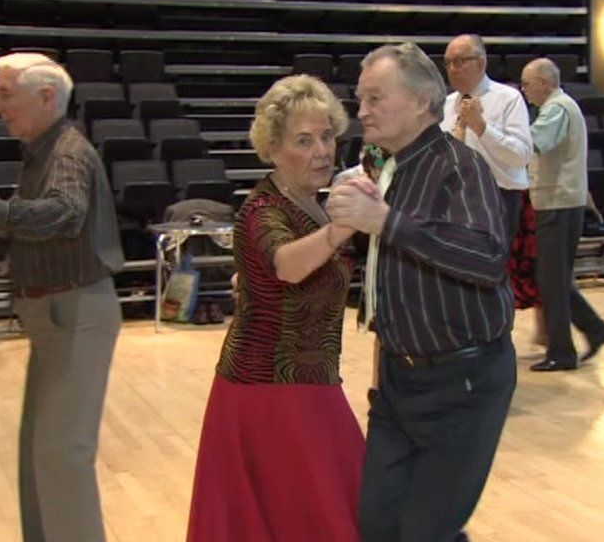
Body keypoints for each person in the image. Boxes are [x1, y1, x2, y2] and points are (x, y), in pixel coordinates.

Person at [0, 53, 124, 542]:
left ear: (46, 97)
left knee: (61, 452)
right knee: (42, 449)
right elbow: (20, 229)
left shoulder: (68, 152)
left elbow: (63, 214)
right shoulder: (45, 150)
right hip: (58, 314)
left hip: (75, 311)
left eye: (5, 95)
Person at [326, 43, 516, 542]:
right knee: (378, 526)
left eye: (374, 98)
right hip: (398, 385)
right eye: (360, 98)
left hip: (463, 384)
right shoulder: (390, 169)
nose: (361, 110)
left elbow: (486, 258)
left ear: (420, 101)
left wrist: (388, 224)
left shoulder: (459, 167)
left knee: (422, 532)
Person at [186, 75, 364, 541]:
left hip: (309, 384)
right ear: (274, 149)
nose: (322, 150)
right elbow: (286, 264)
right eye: (304, 141)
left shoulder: (311, 202)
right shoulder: (261, 208)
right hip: (268, 392)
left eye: (327, 137)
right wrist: (345, 227)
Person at [439, 34, 540, 344]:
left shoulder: (507, 99)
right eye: (448, 63)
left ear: (480, 62)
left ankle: (495, 344)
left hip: (497, 198)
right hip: (455, 199)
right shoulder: (446, 104)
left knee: (490, 276)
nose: (453, 69)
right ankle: (463, 343)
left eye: (460, 62)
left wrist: (482, 128)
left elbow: (521, 154)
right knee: (456, 276)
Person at [520, 58, 604, 371]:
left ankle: (562, 352)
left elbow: (537, 142)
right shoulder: (559, 106)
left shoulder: (556, 109)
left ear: (544, 83)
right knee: (553, 279)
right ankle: (596, 329)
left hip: (559, 204)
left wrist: (498, 133)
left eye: (527, 83)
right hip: (557, 204)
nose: (524, 90)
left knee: (551, 282)